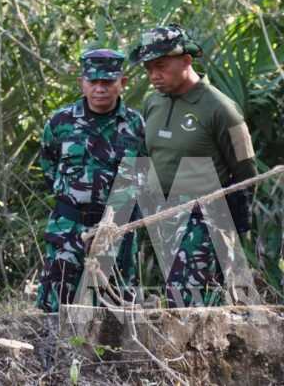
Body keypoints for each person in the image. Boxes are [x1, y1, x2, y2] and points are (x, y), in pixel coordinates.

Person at [129, 23, 257, 307]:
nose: (153, 76)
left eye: (160, 66)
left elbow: (246, 174)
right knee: (179, 300)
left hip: (205, 218)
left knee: (188, 302)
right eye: (148, 69)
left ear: (186, 60)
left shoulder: (221, 109)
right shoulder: (153, 103)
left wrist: (232, 230)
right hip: (163, 218)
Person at [36, 49, 145, 312]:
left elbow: (142, 173)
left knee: (115, 307)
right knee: (57, 302)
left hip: (115, 228)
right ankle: (56, 353)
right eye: (93, 82)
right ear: (82, 83)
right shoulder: (61, 122)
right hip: (68, 226)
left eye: (107, 82)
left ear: (122, 83)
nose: (100, 89)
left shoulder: (135, 125)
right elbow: (48, 166)